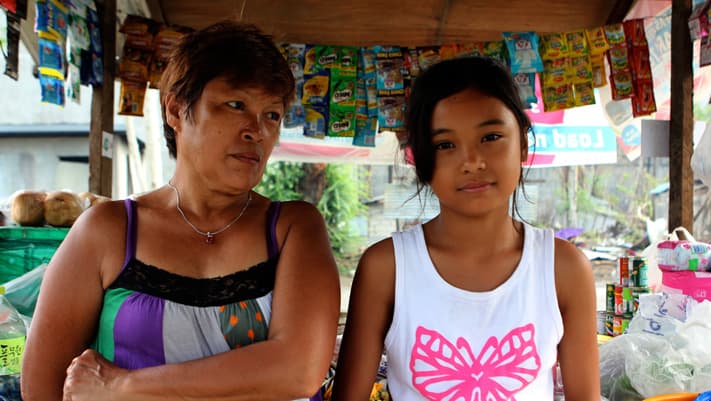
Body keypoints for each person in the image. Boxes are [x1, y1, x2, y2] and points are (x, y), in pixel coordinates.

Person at [22, 21, 340, 401]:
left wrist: (120, 386)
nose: (256, 130)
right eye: (236, 105)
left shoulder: (292, 228)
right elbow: (42, 386)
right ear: (176, 109)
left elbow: (299, 369)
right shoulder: (109, 231)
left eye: (272, 115)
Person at [332, 57, 600, 401]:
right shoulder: (387, 268)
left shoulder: (563, 268)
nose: (472, 161)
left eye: (491, 136)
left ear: (524, 146)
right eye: (446, 145)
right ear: (422, 160)